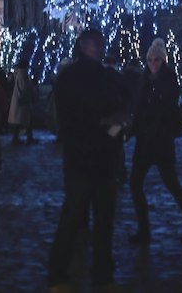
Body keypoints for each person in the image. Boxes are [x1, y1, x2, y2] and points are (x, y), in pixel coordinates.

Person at [47, 28, 128, 290]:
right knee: (75, 218)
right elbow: (71, 117)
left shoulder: (101, 76)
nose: (100, 49)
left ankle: (99, 274)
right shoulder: (75, 77)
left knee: (101, 220)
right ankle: (61, 273)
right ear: (84, 46)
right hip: (86, 156)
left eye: (101, 45)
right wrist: (104, 120)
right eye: (96, 45)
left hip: (98, 157)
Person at [128, 38, 182, 245]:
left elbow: (164, 109)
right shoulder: (144, 80)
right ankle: (144, 229)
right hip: (145, 141)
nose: (153, 63)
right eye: (150, 60)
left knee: (173, 186)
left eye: (157, 60)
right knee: (135, 185)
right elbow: (139, 108)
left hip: (160, 142)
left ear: (163, 61)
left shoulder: (168, 80)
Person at [8, 51, 35, 145]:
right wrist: (31, 84)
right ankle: (21, 138)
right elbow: (24, 87)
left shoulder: (18, 73)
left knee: (19, 120)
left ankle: (18, 138)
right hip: (22, 100)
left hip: (18, 100)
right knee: (23, 120)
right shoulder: (23, 74)